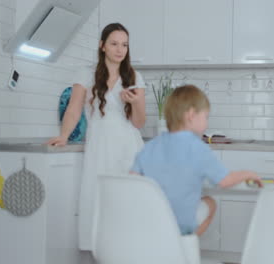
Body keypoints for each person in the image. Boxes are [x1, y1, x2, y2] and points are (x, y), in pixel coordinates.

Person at [47, 23, 146, 250]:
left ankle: (129, 252)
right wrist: (63, 135)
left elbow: (139, 122)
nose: (120, 50)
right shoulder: (86, 73)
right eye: (114, 44)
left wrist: (135, 102)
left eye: (124, 45)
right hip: (100, 145)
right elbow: (74, 108)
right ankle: (102, 250)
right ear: (102, 46)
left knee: (127, 200)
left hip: (128, 146)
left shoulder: (134, 76)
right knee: (100, 197)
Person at [130, 85, 262, 236]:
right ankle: (184, 246)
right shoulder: (198, 148)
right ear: (191, 115)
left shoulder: (150, 146)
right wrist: (249, 174)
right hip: (180, 225)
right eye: (206, 117)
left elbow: (133, 180)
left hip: (150, 221)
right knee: (210, 203)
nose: (207, 123)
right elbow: (225, 181)